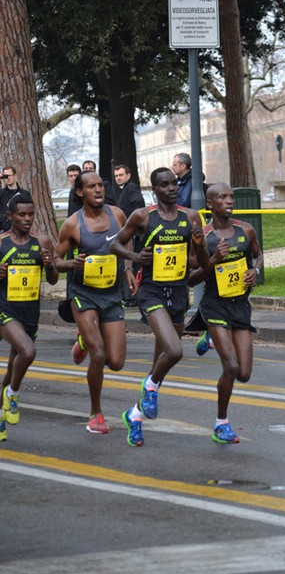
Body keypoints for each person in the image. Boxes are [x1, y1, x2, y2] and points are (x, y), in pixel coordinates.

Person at [110, 167, 209, 447]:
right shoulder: (143, 216)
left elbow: (201, 262)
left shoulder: (190, 216)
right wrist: (134, 257)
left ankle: (135, 415)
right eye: (164, 185)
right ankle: (149, 387)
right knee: (175, 351)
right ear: (155, 189)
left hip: (178, 292)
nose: (171, 188)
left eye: (174, 183)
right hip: (151, 291)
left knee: (159, 364)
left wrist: (200, 244)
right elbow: (115, 244)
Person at [186, 182, 263, 444]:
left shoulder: (246, 231)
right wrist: (213, 261)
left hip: (240, 305)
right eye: (223, 197)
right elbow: (191, 279)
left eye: (231, 196)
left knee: (244, 374)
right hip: (214, 304)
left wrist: (256, 272)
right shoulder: (203, 238)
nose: (229, 201)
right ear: (210, 204)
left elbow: (258, 256)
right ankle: (221, 424)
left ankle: (208, 338)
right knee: (230, 367)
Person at [54, 170, 128, 434]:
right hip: (83, 295)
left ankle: (83, 340)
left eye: (100, 185)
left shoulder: (117, 215)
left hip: (111, 293)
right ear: (79, 192)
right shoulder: (73, 224)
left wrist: (128, 270)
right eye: (91, 187)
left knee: (116, 361)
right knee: (98, 354)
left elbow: (124, 245)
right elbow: (55, 261)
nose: (98, 190)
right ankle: (95, 413)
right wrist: (70, 264)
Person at [0, 191, 59, 442]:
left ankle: (2, 413)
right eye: (21, 214)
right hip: (5, 309)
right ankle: (13, 394)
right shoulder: (1, 242)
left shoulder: (42, 242)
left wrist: (50, 265)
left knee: (13, 366)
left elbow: (54, 279)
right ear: (10, 216)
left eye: (31, 214)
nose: (27, 219)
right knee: (27, 352)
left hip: (29, 312)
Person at [114, 164, 146, 307]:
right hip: (130, 232)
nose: (118, 178)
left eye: (121, 175)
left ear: (128, 175)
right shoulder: (125, 189)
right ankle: (131, 296)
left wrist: (131, 224)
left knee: (131, 263)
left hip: (133, 234)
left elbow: (138, 204)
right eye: (116, 176)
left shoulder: (131, 188)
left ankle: (132, 297)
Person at [0, 166, 30, 233]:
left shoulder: (25, 194)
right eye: (5, 176)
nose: (7, 178)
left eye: (9, 175)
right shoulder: (1, 193)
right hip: (3, 231)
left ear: (15, 176)